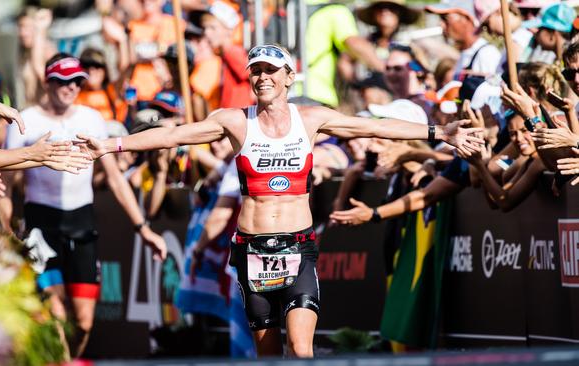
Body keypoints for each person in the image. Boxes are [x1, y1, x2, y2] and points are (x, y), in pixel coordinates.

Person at [75, 44, 483, 357]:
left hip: (298, 247)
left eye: (271, 70)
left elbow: (368, 125)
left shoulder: (311, 118)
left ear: (290, 77)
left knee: (302, 352)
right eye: (256, 71)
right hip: (252, 250)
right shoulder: (236, 121)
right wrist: (112, 143)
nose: (262, 77)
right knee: (268, 355)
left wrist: (439, 133)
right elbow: (174, 135)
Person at [2, 53, 167, 358]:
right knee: (55, 314)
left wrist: (143, 228)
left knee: (84, 321)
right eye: (63, 81)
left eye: (77, 81)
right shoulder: (27, 121)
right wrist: (7, 226)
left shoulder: (91, 119)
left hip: (82, 222)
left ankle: (67, 361)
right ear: (46, 82)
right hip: (41, 222)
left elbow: (116, 179)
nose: (71, 87)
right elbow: (6, 183)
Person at [304, 0, 385, 108]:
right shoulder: (335, 10)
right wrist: (386, 71)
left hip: (287, 90)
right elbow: (353, 43)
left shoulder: (292, 6)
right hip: (317, 94)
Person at [426, 0, 501, 78]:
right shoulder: (465, 54)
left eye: (445, 18)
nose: (441, 25)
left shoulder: (487, 55)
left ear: (467, 19)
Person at [355, 0, 421, 61]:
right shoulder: (366, 42)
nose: (385, 11)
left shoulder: (414, 40)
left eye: (391, 8)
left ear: (400, 13)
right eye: (380, 7)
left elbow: (422, 69)